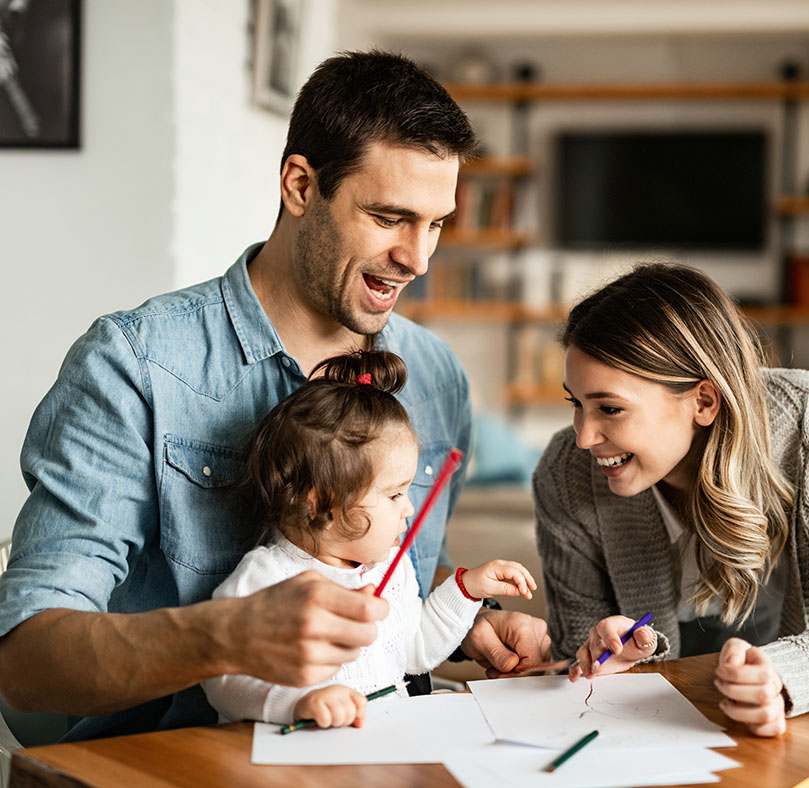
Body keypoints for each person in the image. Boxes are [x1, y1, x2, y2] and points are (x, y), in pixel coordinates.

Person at [0, 50, 549, 742]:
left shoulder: (436, 375)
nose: (420, 259)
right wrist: (223, 636)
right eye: (389, 217)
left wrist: (467, 619)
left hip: (395, 749)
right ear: (299, 185)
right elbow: (25, 660)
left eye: (436, 223)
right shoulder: (133, 366)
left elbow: (375, 548)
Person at [534, 262, 809, 737]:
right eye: (576, 404)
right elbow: (576, 660)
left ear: (704, 402)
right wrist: (606, 658)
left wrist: (785, 677)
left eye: (609, 408)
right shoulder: (566, 471)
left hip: (795, 725)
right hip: (654, 738)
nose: (584, 437)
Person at [202, 349, 537, 727]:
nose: (408, 508)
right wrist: (299, 702)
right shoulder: (266, 577)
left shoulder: (390, 570)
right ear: (321, 503)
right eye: (394, 495)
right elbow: (224, 680)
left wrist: (467, 590)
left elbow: (417, 652)